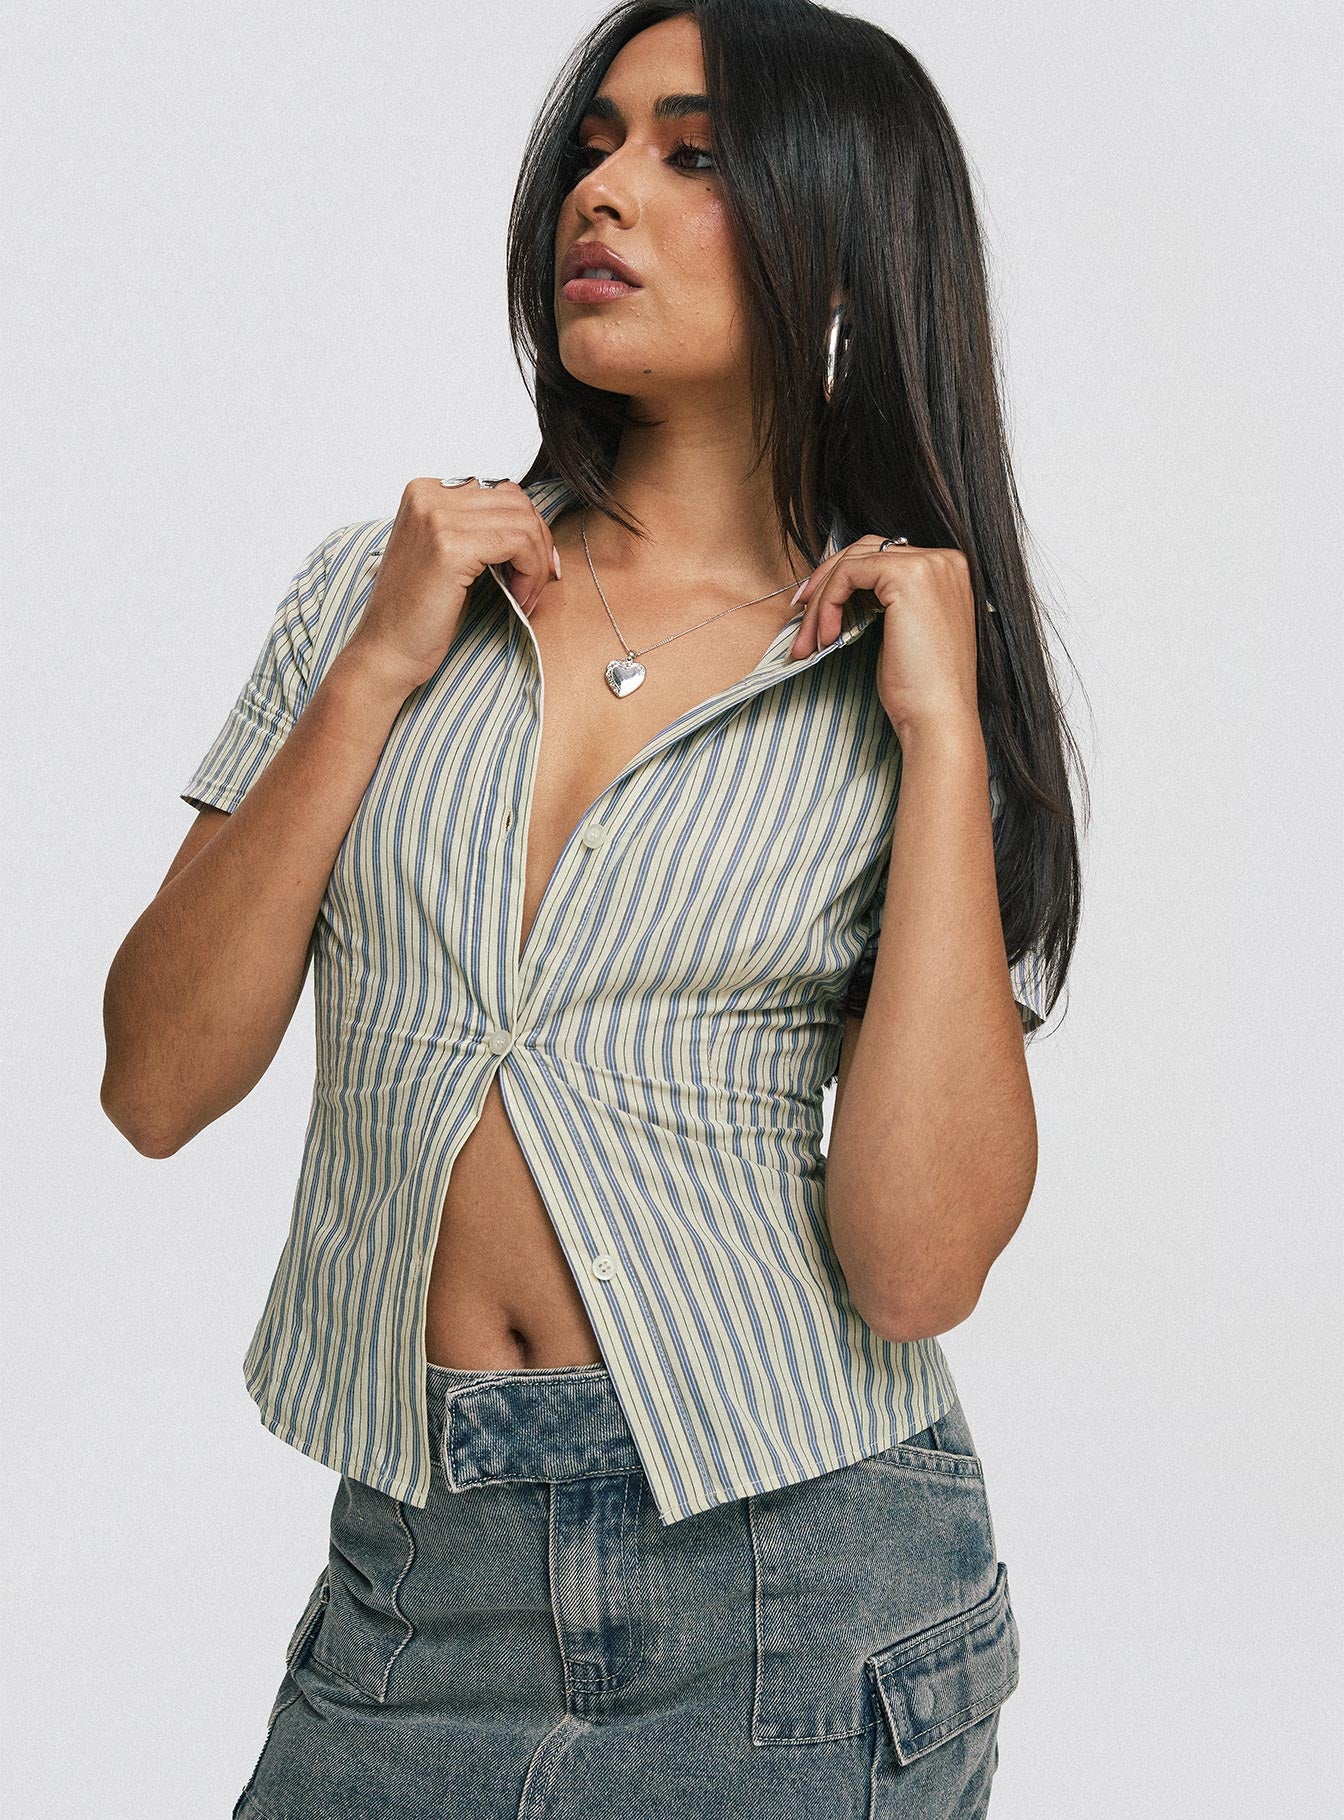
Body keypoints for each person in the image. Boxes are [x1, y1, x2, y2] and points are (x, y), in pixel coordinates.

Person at [102, 2, 1083, 1814]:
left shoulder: (904, 673)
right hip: (414, 1581)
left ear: (843, 248)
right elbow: (155, 1083)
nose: (602, 191)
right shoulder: (381, 589)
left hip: (792, 1588)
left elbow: (919, 1267)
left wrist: (946, 740)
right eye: (595, 144)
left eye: (690, 155)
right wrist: (374, 669)